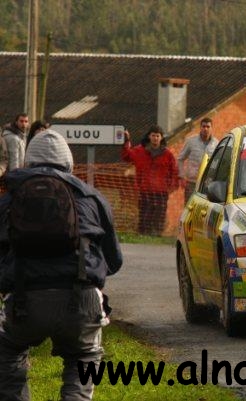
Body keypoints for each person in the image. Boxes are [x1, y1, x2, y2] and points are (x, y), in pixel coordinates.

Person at [0, 129, 123, 400]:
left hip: (23, 300)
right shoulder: (92, 198)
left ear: (28, 162)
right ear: (69, 163)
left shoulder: (9, 199)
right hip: (81, 298)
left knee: (8, 351)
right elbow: (114, 261)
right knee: (84, 356)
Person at [122, 126, 179, 235]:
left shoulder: (168, 154)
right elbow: (126, 156)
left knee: (159, 216)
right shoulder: (139, 151)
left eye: (158, 136)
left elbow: (174, 171)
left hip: (161, 192)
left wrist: (171, 186)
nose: (155, 138)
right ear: (149, 136)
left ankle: (157, 236)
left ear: (161, 138)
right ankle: (143, 235)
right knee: (144, 215)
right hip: (145, 190)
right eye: (153, 135)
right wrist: (126, 141)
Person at [178, 117, 217, 200]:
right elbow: (180, 159)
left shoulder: (216, 144)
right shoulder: (191, 141)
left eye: (208, 126)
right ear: (200, 127)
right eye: (203, 126)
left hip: (208, 184)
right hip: (192, 183)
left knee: (205, 207)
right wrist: (181, 176)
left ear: (211, 128)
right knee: (189, 206)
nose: (205, 129)